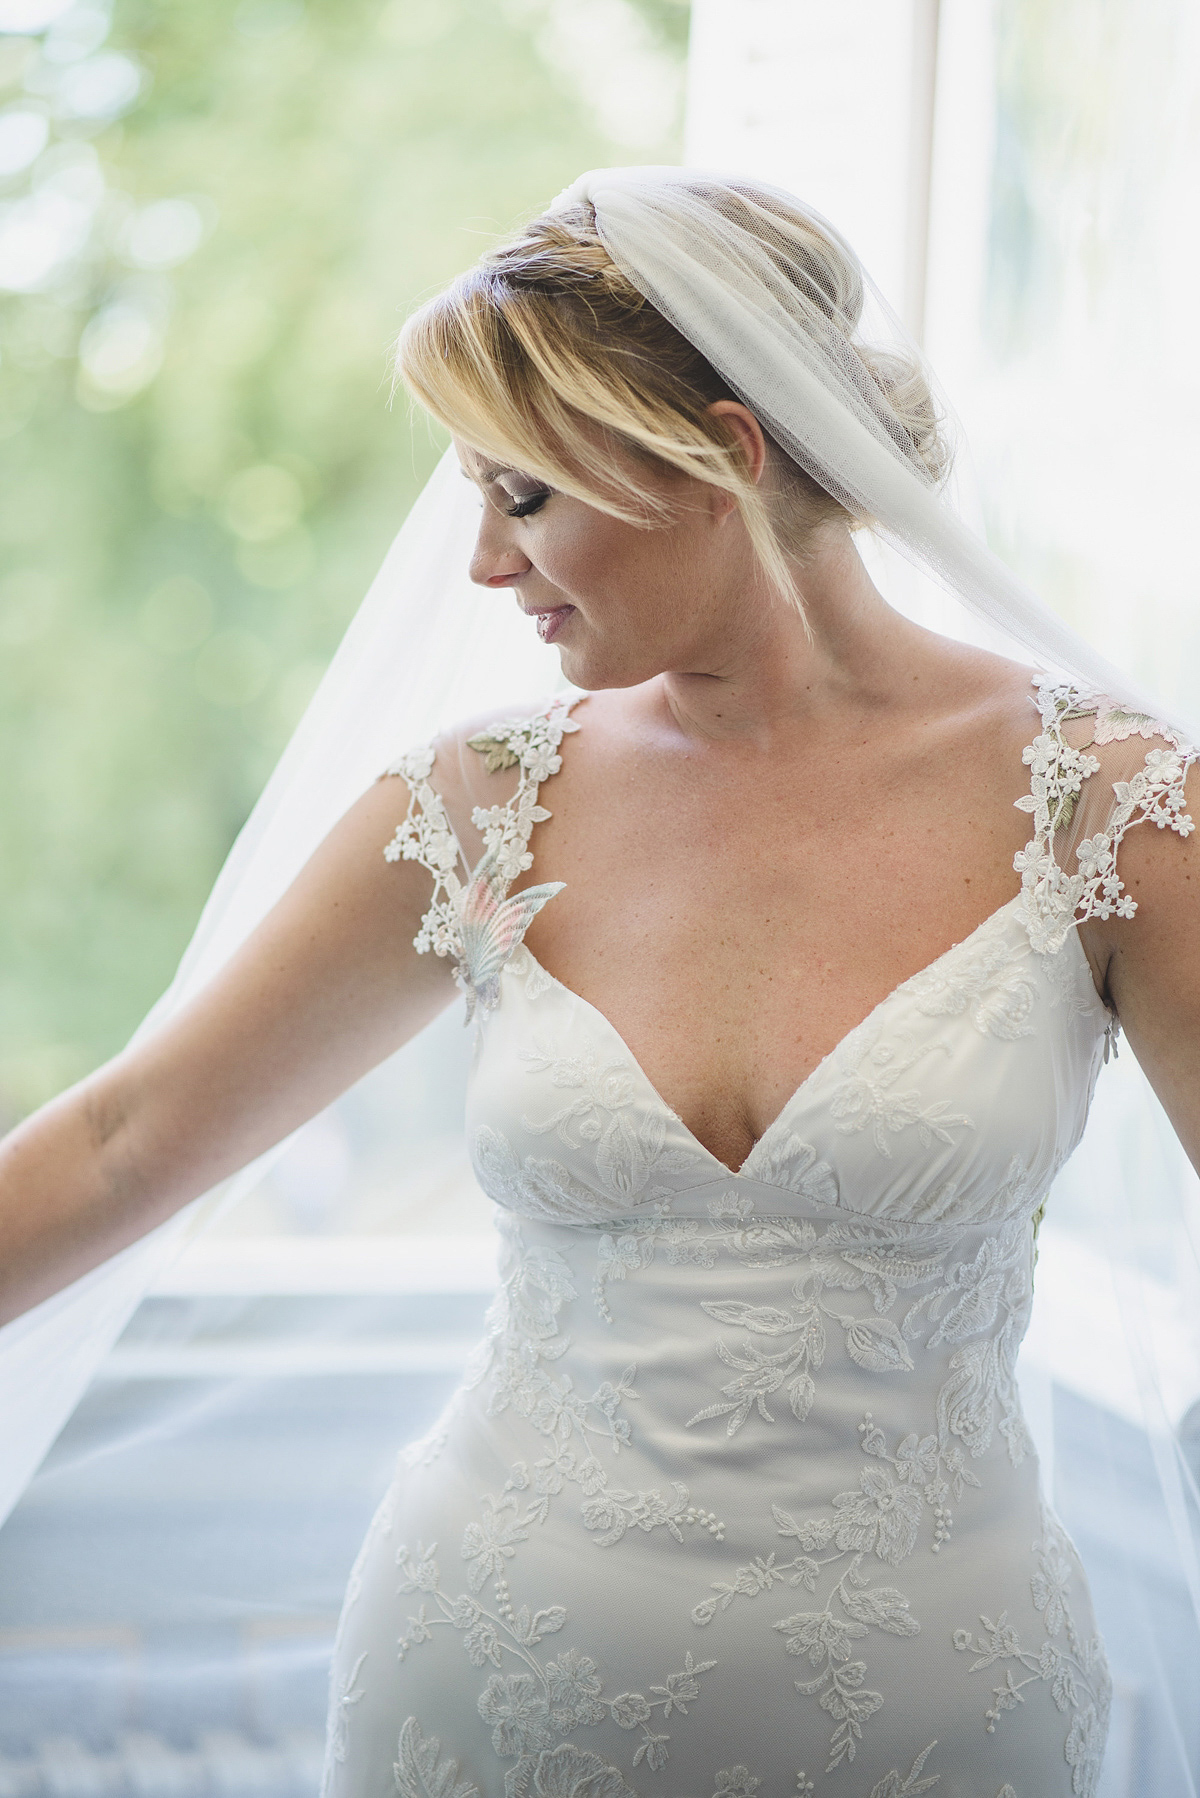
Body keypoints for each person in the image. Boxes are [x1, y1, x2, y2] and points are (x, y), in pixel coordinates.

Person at [1, 171, 1197, 1795]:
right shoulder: (476, 805)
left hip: (939, 1719)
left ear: (721, 457)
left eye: (525, 495)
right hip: (479, 1692)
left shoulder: (1107, 805)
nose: (484, 564)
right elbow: (129, 1137)